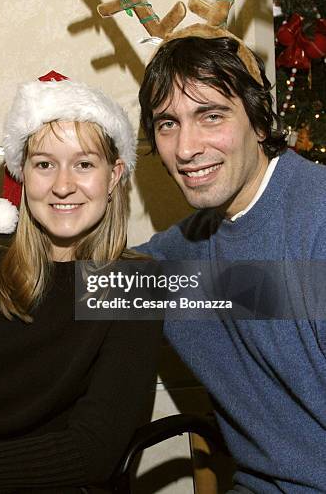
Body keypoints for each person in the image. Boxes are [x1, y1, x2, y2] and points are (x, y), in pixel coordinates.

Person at [0, 71, 162, 494]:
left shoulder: (131, 286)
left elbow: (94, 450)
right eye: (44, 164)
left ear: (113, 176)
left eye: (84, 164)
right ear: (21, 174)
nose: (62, 185)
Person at [136, 35, 326, 493]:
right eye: (167, 124)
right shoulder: (183, 251)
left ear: (259, 122)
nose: (186, 148)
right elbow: (83, 291)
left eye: (211, 116)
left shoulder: (317, 223)